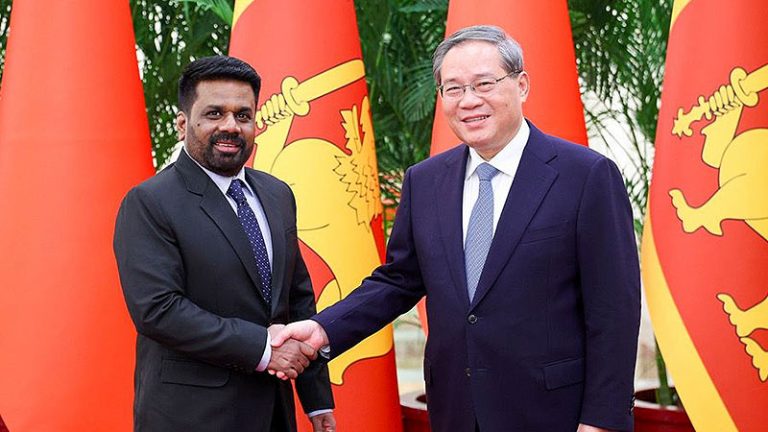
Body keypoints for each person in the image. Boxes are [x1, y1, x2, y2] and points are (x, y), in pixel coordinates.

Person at [272, 25, 640, 432]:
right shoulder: (425, 180)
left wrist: (602, 421)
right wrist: (324, 328)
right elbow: (398, 281)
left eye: (484, 84)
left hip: (553, 412)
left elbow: (614, 311)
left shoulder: (586, 176)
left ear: (522, 85)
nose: (469, 101)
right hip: (456, 410)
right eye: (453, 88)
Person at [113, 55, 335, 432]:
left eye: (243, 116)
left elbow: (297, 301)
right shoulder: (150, 201)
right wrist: (265, 350)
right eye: (214, 114)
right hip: (191, 417)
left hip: (274, 413)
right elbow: (158, 310)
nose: (230, 126)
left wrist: (316, 401)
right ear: (183, 124)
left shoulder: (277, 194)